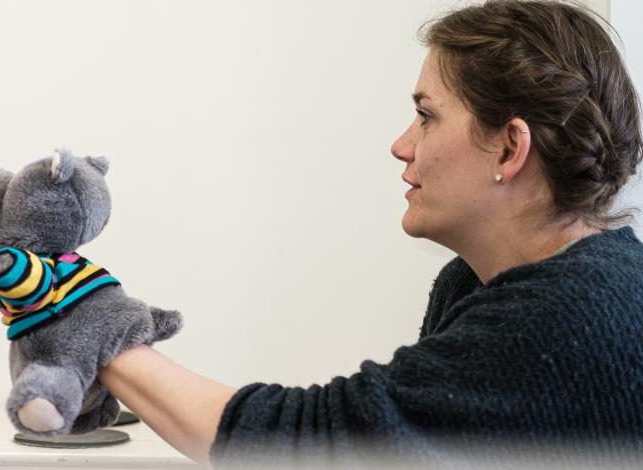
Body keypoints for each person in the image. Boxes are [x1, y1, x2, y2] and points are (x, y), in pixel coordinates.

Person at [98, 1, 643, 467]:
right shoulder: (476, 283)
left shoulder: (565, 315)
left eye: (426, 116)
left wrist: (94, 322)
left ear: (508, 149)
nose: (402, 145)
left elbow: (313, 444)